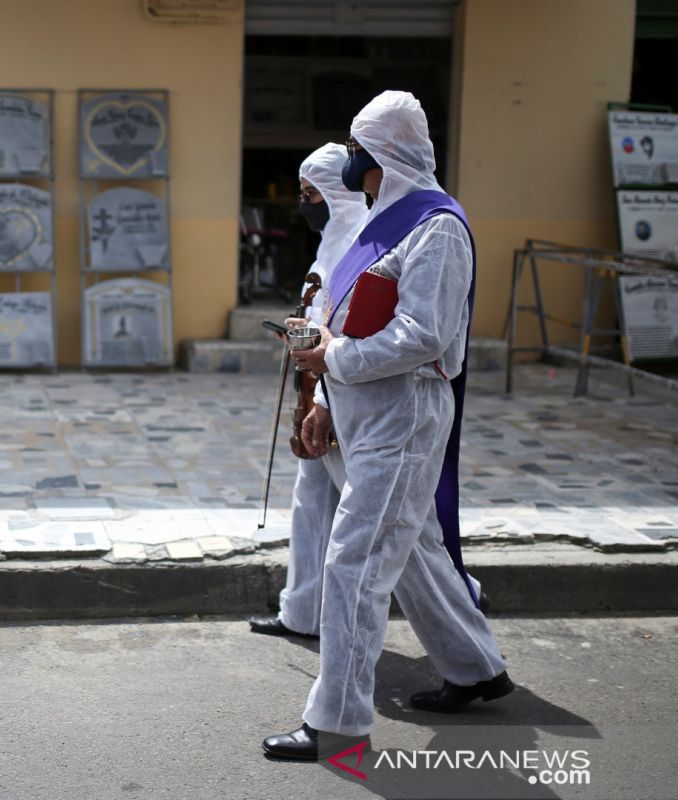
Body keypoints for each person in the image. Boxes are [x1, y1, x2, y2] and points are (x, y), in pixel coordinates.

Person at [262, 91, 512, 761]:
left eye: (355, 149)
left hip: (403, 420)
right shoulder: (383, 220)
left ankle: (337, 721)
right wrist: (323, 405)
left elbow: (424, 335)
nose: (346, 162)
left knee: (355, 566)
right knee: (409, 554)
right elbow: (348, 320)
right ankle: (476, 667)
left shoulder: (437, 228)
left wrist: (333, 360)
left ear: (385, 155)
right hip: (367, 415)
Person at [248, 143, 368, 639]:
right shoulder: (330, 243)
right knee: (310, 501)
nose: (303, 205)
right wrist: (298, 331)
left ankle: (458, 598)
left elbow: (354, 322)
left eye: (309, 194)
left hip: (342, 389)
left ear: (338, 195)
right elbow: (322, 314)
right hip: (311, 385)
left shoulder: (361, 241)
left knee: (364, 512)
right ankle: (301, 612)